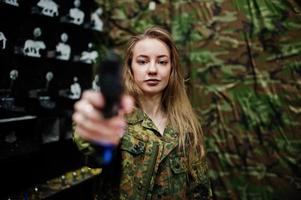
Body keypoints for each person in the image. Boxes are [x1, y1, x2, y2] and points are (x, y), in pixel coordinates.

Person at [72, 26, 212, 199]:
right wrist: (95, 127)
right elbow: (92, 149)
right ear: (130, 67)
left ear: (172, 69)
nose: (152, 70)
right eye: (143, 61)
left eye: (162, 62)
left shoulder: (186, 126)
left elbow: (200, 189)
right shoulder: (117, 118)